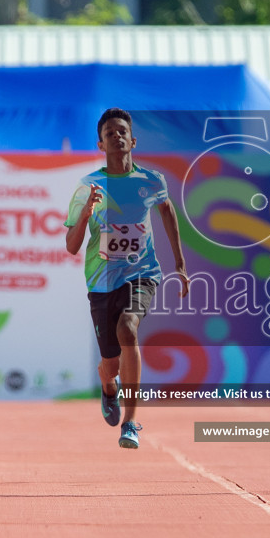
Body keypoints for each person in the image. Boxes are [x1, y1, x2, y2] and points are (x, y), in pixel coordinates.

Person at [65, 108, 189, 450]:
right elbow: (72, 246)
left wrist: (179, 264)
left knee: (128, 328)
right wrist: (85, 216)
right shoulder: (87, 186)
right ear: (100, 144)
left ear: (132, 140)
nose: (116, 137)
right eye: (109, 134)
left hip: (142, 272)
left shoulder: (151, 181)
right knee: (109, 364)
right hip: (101, 282)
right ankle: (109, 388)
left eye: (122, 131)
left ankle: (131, 422)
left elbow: (167, 211)